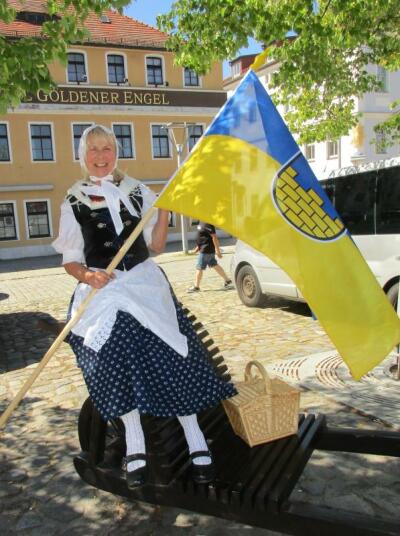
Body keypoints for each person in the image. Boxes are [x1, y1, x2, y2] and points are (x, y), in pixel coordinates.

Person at [52, 125, 237, 489]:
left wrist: (164, 208)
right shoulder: (73, 200)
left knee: (171, 350)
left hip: (142, 281)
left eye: (107, 148)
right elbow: (71, 260)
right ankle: (134, 439)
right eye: (94, 150)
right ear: (83, 155)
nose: (101, 156)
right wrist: (88, 277)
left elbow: (155, 245)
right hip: (103, 288)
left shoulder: (136, 191)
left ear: (116, 152)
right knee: (114, 349)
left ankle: (194, 435)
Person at [187, 222, 233, 293]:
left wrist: (218, 251)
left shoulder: (208, 224)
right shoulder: (201, 223)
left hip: (206, 250)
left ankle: (196, 287)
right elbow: (202, 237)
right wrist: (197, 248)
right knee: (214, 265)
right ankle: (227, 280)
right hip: (204, 248)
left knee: (199, 267)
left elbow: (214, 237)